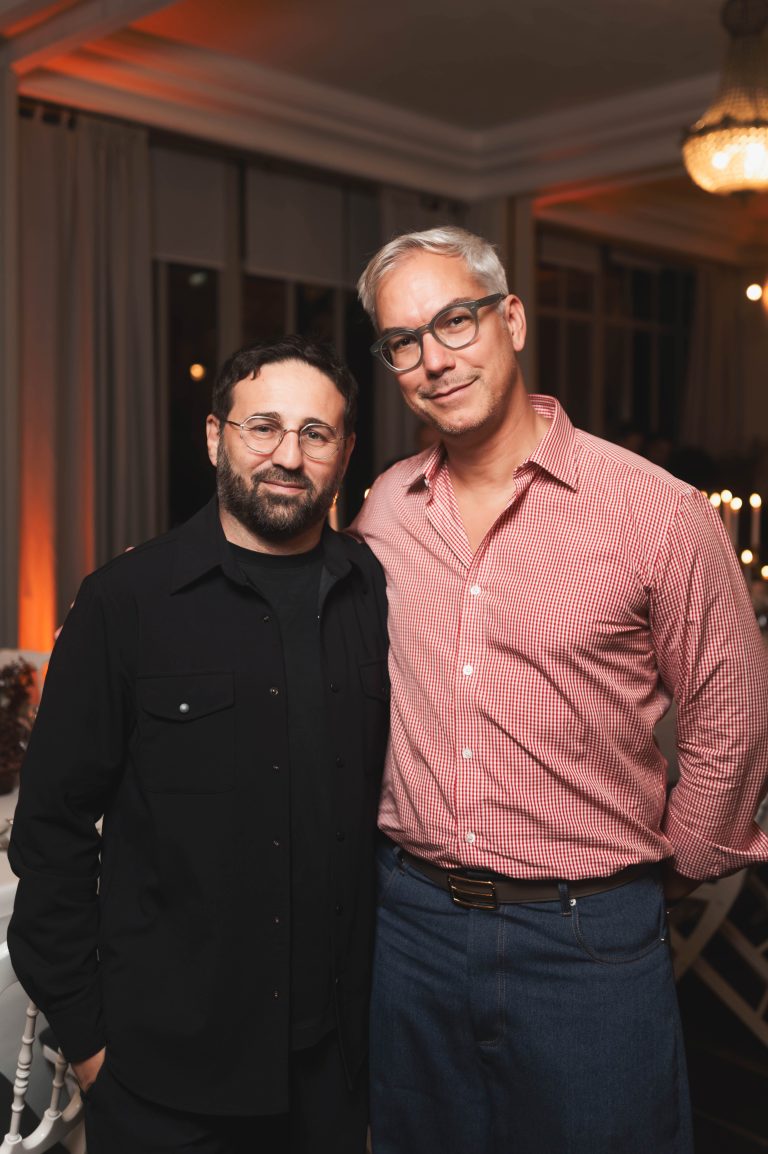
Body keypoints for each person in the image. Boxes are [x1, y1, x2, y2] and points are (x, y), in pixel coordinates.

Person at [353, 226, 768, 1154]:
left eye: (454, 321)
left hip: (588, 941)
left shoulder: (656, 509)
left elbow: (731, 719)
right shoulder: (383, 510)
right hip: (409, 932)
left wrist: (661, 874)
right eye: (403, 341)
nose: (433, 359)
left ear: (513, 320)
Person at [8, 335, 389, 1154]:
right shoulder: (125, 604)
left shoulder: (372, 594)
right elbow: (50, 837)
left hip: (333, 1078)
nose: (289, 456)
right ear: (215, 437)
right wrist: (92, 1048)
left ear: (345, 452)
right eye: (264, 429)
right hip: (163, 1082)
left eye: (316, 434)